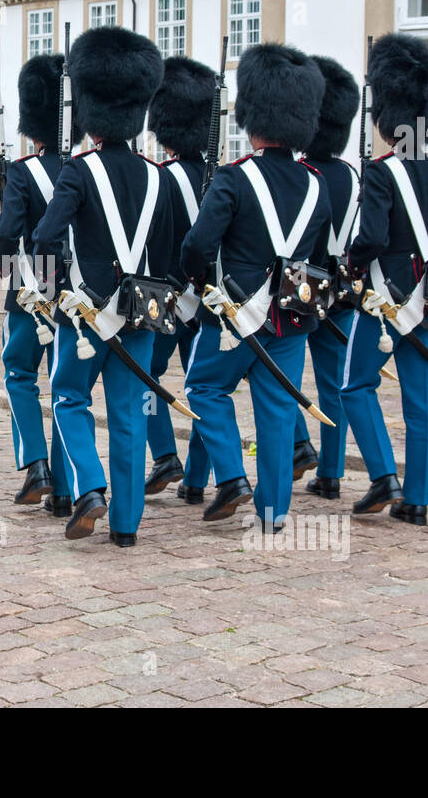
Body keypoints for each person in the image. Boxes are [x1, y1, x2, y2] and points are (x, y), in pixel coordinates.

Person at [180, 42, 329, 532]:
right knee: (279, 405)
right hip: (291, 314)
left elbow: (200, 244)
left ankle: (231, 477)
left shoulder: (233, 178)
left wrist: (200, 280)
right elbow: (319, 251)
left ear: (252, 118)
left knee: (203, 389)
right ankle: (274, 510)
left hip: (233, 314)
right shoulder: (315, 183)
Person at [32, 26, 170, 547]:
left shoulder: (79, 170)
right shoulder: (157, 176)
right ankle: (127, 527)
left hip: (87, 314)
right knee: (130, 416)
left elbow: (46, 235)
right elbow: (171, 254)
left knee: (68, 397)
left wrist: (53, 289)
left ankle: (90, 486)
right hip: (142, 315)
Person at [341, 33, 428, 526]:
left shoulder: (382, 172)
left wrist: (352, 263)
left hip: (385, 299)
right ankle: (418, 499)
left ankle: (384, 474)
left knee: (354, 386)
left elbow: (371, 236)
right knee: (421, 402)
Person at [0, 54, 75, 515]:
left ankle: (36, 465)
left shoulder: (23, 172)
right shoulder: (86, 168)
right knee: (66, 388)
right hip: (79, 296)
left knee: (20, 376)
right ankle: (64, 489)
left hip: (29, 290)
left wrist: (4, 263)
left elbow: (7, 234)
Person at [142, 56, 216, 505]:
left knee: (145, 379)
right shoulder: (220, 176)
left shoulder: (161, 178)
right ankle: (197, 478)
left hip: (166, 296)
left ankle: (165, 454)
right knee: (204, 386)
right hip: (207, 298)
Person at [290, 56, 362, 500]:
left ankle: (299, 444)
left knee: (278, 374)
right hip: (345, 291)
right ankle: (331, 473)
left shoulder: (304, 176)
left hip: (303, 288)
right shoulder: (355, 176)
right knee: (335, 386)